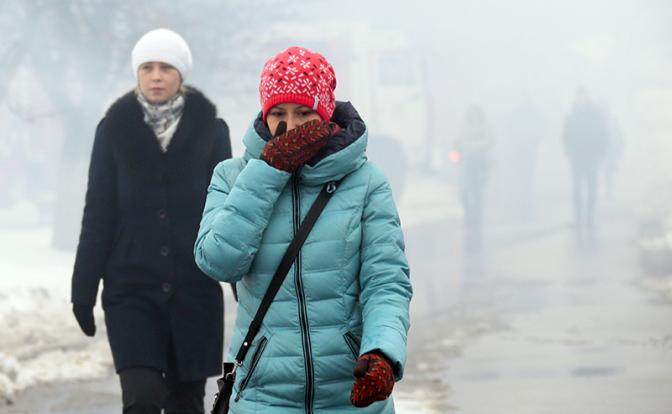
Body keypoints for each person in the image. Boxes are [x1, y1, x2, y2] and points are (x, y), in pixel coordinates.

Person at [194, 46, 412, 413]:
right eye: (279, 113)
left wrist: (383, 354)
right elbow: (217, 262)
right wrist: (269, 171)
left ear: (324, 114)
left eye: (303, 113)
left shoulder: (366, 182)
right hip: (263, 396)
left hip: (350, 395)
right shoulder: (232, 177)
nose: (291, 126)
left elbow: (386, 281)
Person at [70, 28, 231, 414]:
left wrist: (243, 279)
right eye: (147, 68)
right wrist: (83, 288)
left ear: (181, 75)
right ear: (137, 74)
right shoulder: (112, 131)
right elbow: (98, 214)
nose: (156, 76)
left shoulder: (212, 132)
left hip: (195, 290)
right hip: (131, 289)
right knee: (142, 398)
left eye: (165, 67)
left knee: (186, 404)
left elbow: (227, 212)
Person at [562, 88, 610, 232]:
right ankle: (578, 219)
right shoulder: (572, 114)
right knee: (577, 188)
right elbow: (566, 134)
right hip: (577, 156)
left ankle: (589, 218)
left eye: (583, 95)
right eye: (579, 96)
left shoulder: (595, 114)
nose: (581, 98)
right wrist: (568, 150)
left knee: (591, 188)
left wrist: (600, 152)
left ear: (588, 97)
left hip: (592, 156)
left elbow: (604, 134)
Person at [452, 105, 494, 254]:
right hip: (465, 165)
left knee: (477, 192)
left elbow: (488, 143)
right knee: (464, 193)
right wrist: (457, 154)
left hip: (480, 166)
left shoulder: (485, 128)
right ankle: (469, 216)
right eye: (471, 114)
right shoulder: (464, 128)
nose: (473, 116)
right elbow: (457, 144)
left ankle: (476, 219)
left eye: (476, 114)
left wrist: (471, 147)